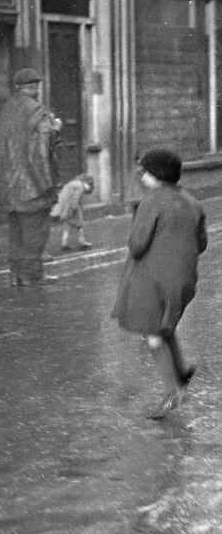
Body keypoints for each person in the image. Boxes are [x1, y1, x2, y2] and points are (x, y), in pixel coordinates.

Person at [112, 146, 207, 419]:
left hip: (153, 280)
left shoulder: (151, 201)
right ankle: (181, 372)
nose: (142, 176)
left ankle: (173, 392)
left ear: (156, 174)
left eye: (145, 171)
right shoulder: (192, 200)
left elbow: (138, 245)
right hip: (184, 281)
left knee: (153, 336)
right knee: (166, 326)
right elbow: (201, 243)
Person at [0, 67, 62, 287]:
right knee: (36, 231)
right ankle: (33, 275)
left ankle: (16, 274)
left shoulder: (7, 109)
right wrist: (56, 129)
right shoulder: (38, 112)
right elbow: (41, 149)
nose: (36, 90)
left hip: (9, 184)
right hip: (32, 185)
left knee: (16, 232)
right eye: (35, 86)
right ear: (32, 88)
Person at [50, 173, 94, 250]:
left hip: (63, 205)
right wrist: (71, 211)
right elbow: (74, 200)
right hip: (71, 207)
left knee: (66, 225)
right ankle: (82, 242)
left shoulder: (73, 183)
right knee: (79, 224)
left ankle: (64, 243)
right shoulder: (80, 187)